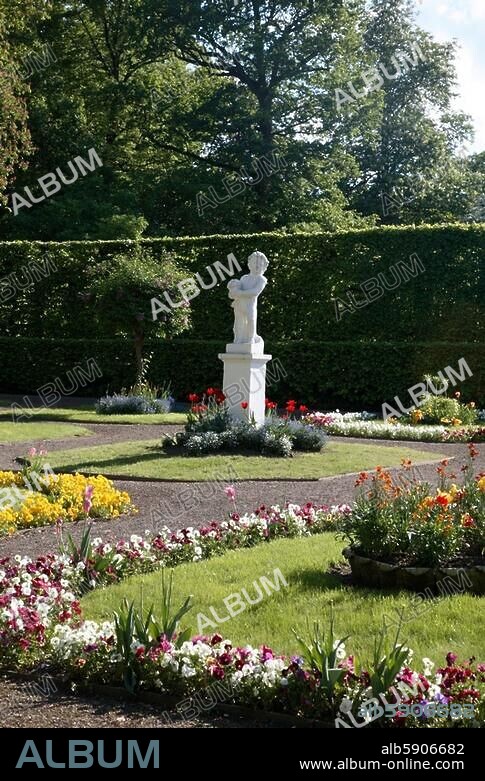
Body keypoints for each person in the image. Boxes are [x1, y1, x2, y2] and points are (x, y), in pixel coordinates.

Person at [228, 252, 269, 344]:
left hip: (250, 306)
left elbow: (255, 292)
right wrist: (233, 290)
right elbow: (236, 289)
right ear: (249, 264)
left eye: (260, 264)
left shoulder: (261, 279)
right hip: (239, 305)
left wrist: (239, 293)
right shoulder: (244, 278)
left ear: (264, 266)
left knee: (251, 320)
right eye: (254, 263)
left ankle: (251, 338)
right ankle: (238, 338)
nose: (257, 266)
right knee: (238, 322)